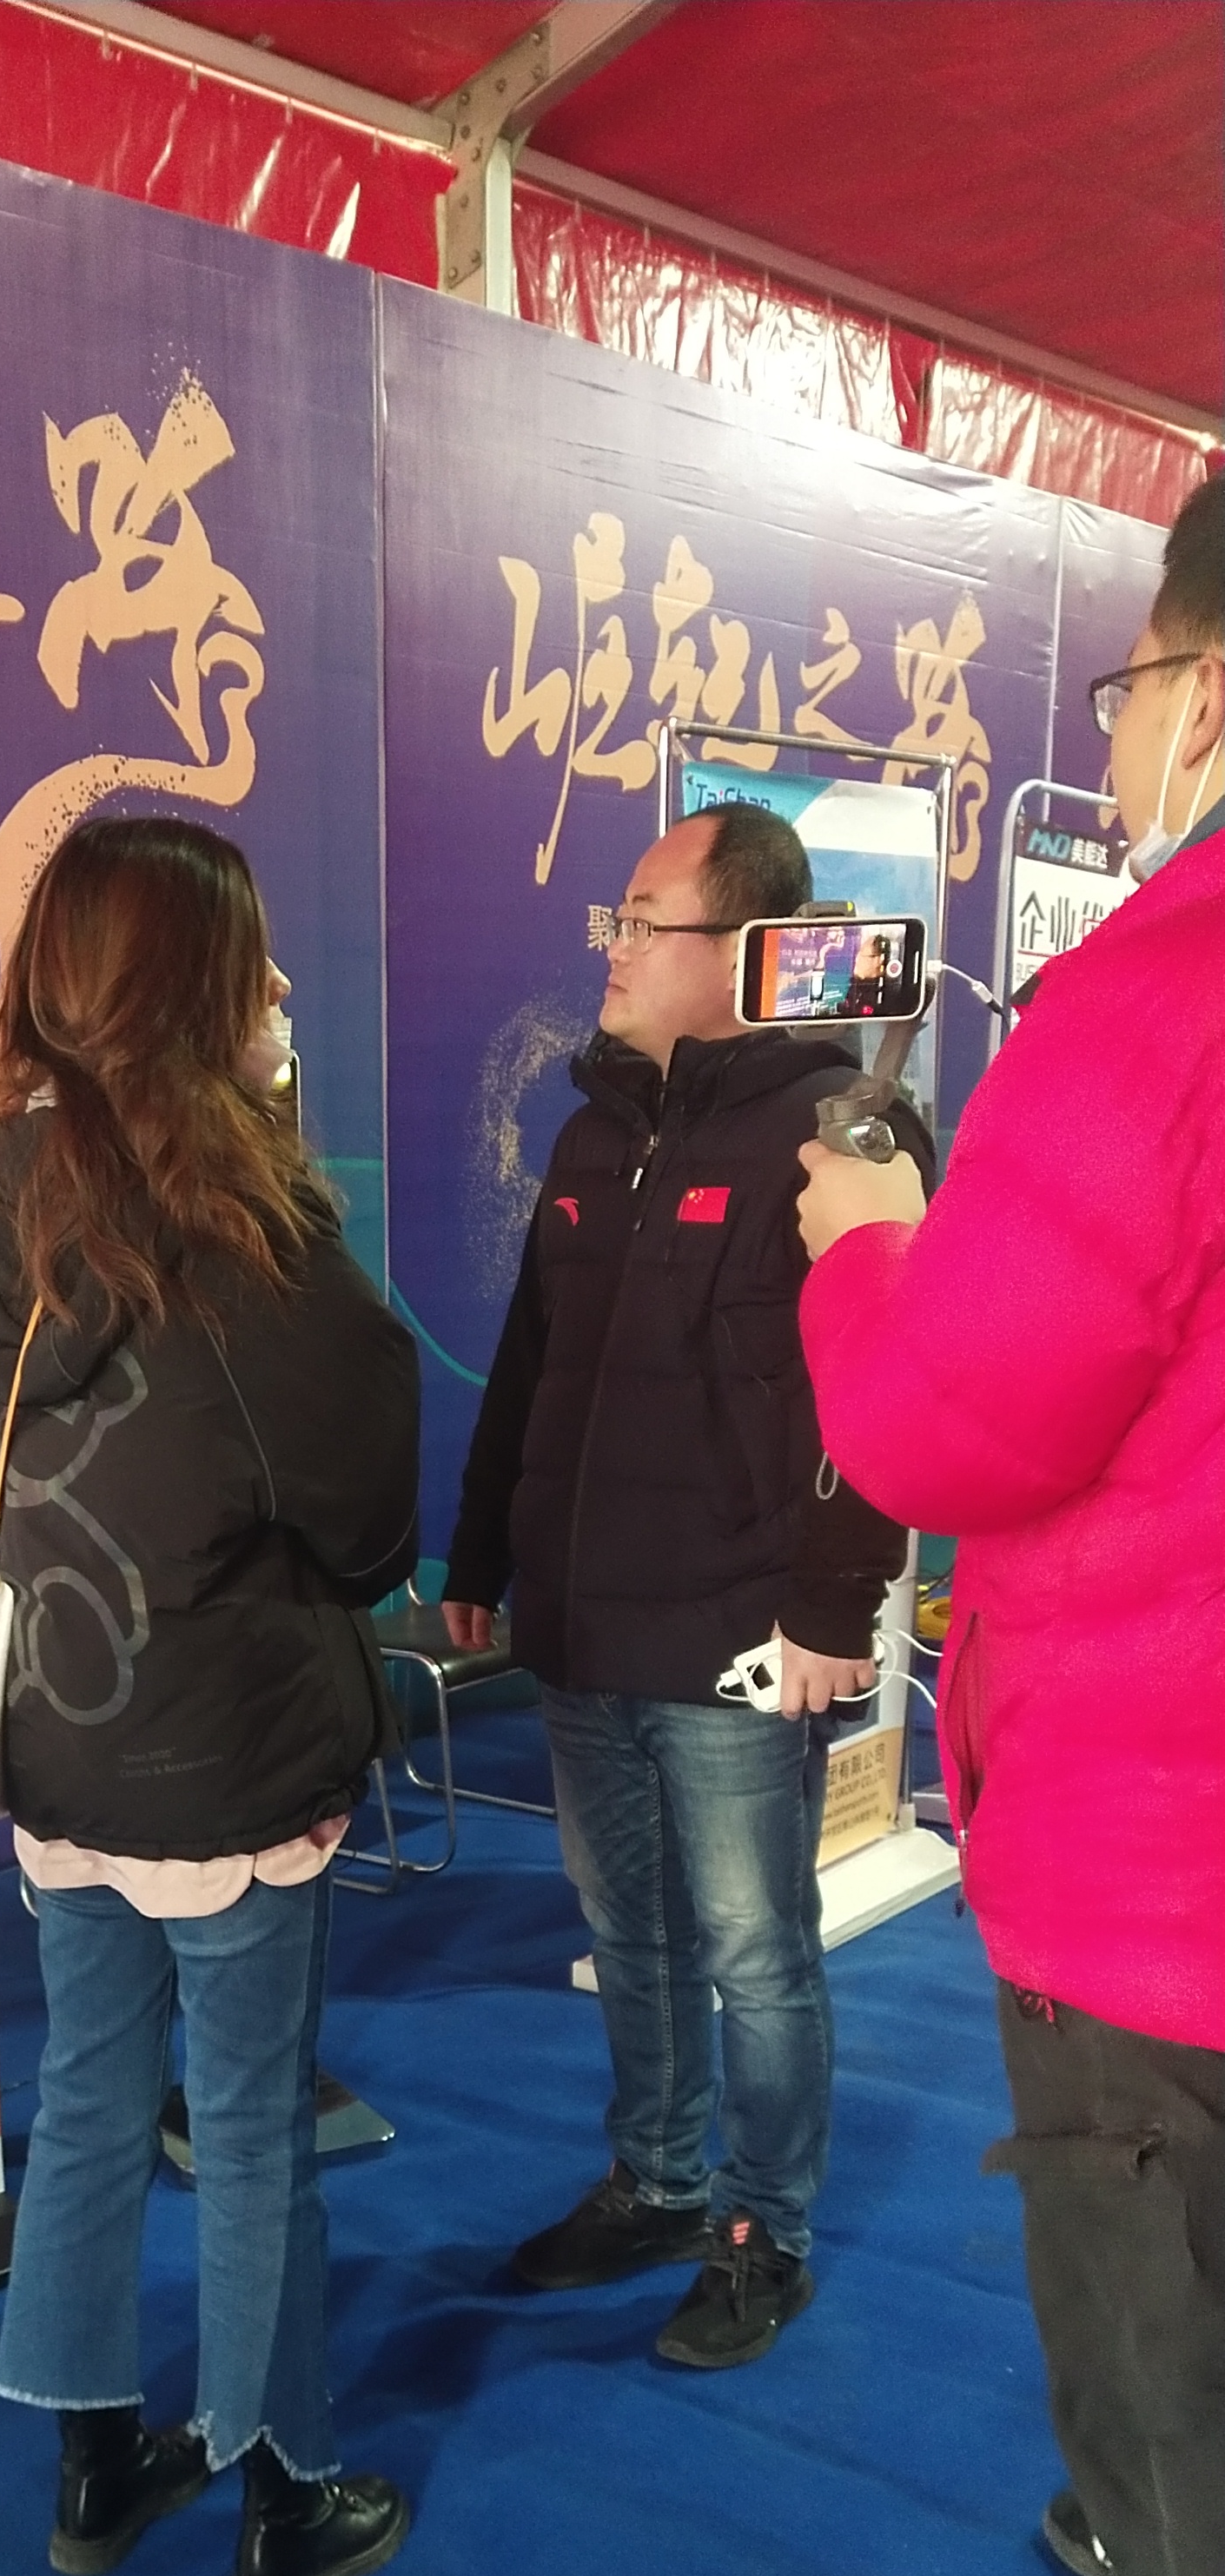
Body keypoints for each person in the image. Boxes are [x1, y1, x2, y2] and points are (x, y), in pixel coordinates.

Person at [794, 474, 1225, 2576]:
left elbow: (949, 1416)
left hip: (1165, 1894)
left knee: (1179, 2393)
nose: (1131, 733)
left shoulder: (1156, 996)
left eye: (1136, 684)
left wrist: (863, 1243)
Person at [0, 814, 421, 2576]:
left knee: (85, 2095)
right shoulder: (243, 1220)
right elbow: (366, 1517)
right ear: (195, 986)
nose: (283, 985)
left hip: (63, 1734)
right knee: (247, 2120)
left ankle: (94, 2463)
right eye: (255, 957)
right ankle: (283, 2493)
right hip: (228, 1751)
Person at [443, 805, 924, 2366]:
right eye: (619, 917)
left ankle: (761, 2233)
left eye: (644, 919)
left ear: (745, 952)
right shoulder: (591, 1133)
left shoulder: (843, 1133)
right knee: (627, 1929)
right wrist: (481, 1552)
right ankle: (653, 2182)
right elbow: (531, 1360)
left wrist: (834, 1609)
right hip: (585, 1620)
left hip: (738, 1631)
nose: (615, 946)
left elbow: (879, 1388)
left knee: (757, 1953)